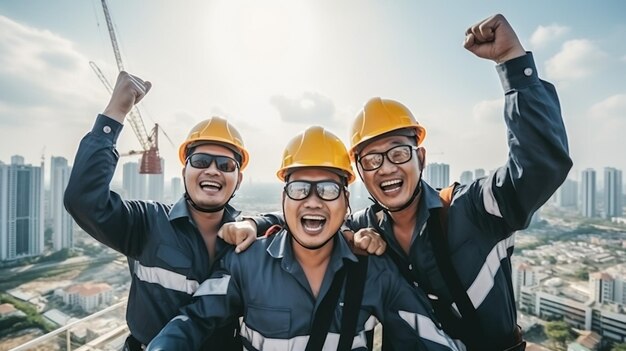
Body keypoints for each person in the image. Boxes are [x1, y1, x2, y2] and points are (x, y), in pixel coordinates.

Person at [223, 14, 573, 351]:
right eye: (372, 160)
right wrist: (255, 223)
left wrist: (513, 64)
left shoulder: (474, 208)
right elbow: (309, 216)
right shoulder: (365, 226)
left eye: (398, 154)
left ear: (420, 158)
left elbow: (539, 166)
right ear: (361, 173)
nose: (387, 168)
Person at [146, 126, 460, 351]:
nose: (313, 201)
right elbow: (194, 320)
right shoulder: (245, 262)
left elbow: (427, 336)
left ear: (346, 202)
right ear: (284, 201)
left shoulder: (374, 273)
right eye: (299, 189)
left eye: (328, 189)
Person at [64, 71, 247, 350]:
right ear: (185, 170)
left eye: (225, 165)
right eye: (200, 160)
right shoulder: (147, 223)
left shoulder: (249, 241)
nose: (212, 170)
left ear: (238, 179)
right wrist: (115, 114)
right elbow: (84, 200)